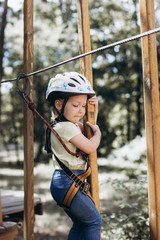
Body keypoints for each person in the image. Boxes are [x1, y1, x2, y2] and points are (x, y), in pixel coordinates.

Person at [45, 72, 102, 240]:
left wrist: (94, 110)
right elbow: (90, 145)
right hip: (68, 181)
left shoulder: (66, 125)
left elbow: (87, 130)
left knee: (81, 223)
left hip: (64, 183)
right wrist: (98, 133)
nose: (81, 110)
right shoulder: (66, 127)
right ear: (59, 104)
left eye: (84, 106)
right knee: (93, 222)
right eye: (76, 105)